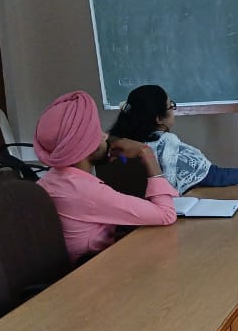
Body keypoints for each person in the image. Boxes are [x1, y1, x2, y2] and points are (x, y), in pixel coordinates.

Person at [34, 90, 178, 263]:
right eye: (96, 132)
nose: (104, 136)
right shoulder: (88, 192)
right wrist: (147, 154)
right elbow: (166, 215)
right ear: (84, 145)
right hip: (95, 272)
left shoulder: (50, 180)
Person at [108, 85, 238, 193]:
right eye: (171, 106)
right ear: (158, 118)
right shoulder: (167, 145)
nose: (173, 110)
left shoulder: (114, 143)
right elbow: (216, 176)